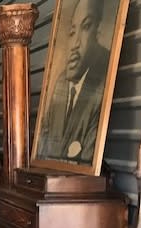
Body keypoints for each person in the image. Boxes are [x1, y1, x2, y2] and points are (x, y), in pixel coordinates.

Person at [36, 0, 109, 164]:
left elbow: (86, 161)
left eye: (86, 27)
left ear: (100, 32)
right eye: (71, 32)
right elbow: (43, 146)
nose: (75, 44)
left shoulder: (104, 85)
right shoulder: (61, 83)